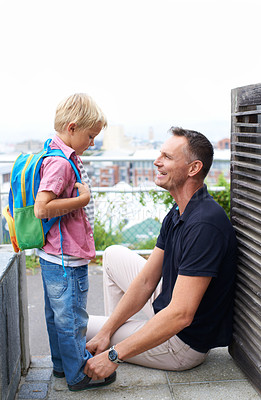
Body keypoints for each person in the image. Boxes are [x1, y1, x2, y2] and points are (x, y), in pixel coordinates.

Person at [84, 127, 237, 381]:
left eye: (167, 157)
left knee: (76, 328)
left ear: (193, 168)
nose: (157, 161)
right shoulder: (180, 210)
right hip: (167, 309)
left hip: (181, 344)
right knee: (112, 255)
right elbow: (146, 281)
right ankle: (116, 336)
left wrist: (114, 355)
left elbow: (181, 314)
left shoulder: (205, 225)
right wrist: (108, 331)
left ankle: (118, 346)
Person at [34, 93, 116, 391]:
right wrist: (82, 199)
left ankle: (62, 366)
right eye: (90, 136)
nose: (92, 142)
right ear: (72, 128)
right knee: (72, 318)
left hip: (53, 254)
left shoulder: (52, 152)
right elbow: (42, 207)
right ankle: (79, 375)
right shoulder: (61, 163)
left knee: (57, 316)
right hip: (66, 258)